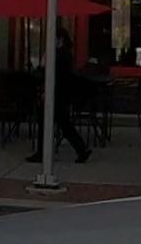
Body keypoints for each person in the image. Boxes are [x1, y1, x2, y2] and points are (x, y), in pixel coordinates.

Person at [24, 26, 92, 165]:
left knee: (47, 122)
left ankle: (42, 153)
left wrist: (42, 65)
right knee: (64, 124)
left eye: (53, 38)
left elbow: (49, 75)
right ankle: (81, 149)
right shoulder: (65, 54)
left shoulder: (59, 55)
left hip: (56, 94)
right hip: (61, 94)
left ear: (60, 39)